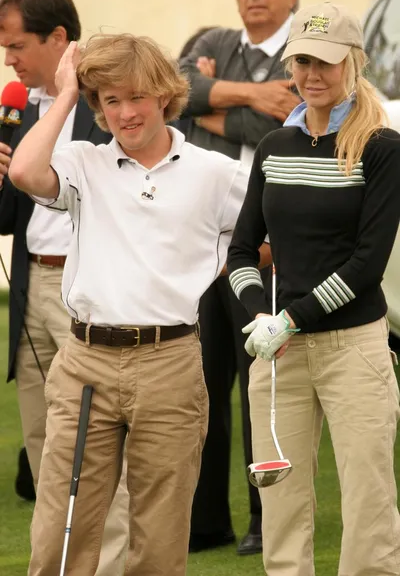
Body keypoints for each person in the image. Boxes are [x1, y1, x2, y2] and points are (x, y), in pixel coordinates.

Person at [8, 32, 251, 576]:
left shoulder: (215, 173)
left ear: (164, 95)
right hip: (85, 363)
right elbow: (23, 173)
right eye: (110, 100)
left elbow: (270, 232)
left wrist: (231, 262)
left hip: (170, 363)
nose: (125, 113)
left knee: (159, 538)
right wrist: (68, 92)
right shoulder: (82, 161)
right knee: (60, 530)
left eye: (136, 96)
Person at [227, 1, 400, 576]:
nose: (311, 75)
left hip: (353, 347)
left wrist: (290, 317)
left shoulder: (381, 147)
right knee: (280, 502)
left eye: (325, 62)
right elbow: (242, 251)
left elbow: (365, 265)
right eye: (301, 61)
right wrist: (259, 313)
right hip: (278, 352)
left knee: (369, 497)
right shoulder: (276, 148)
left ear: (353, 63)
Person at [0, 0, 129, 574]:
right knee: (45, 448)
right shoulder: (20, 105)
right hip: (29, 290)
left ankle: (107, 566)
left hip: (88, 297)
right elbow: (11, 216)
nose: (9, 59)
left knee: (99, 453)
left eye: (16, 44)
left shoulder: (110, 99)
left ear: (58, 37)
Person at [180, 0, 302, 555]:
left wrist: (212, 105)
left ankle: (263, 517)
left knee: (263, 387)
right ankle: (205, 523)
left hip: (270, 249)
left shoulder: (305, 48)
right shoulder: (213, 38)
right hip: (208, 247)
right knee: (200, 387)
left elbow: (293, 129)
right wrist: (252, 95)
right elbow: (175, 92)